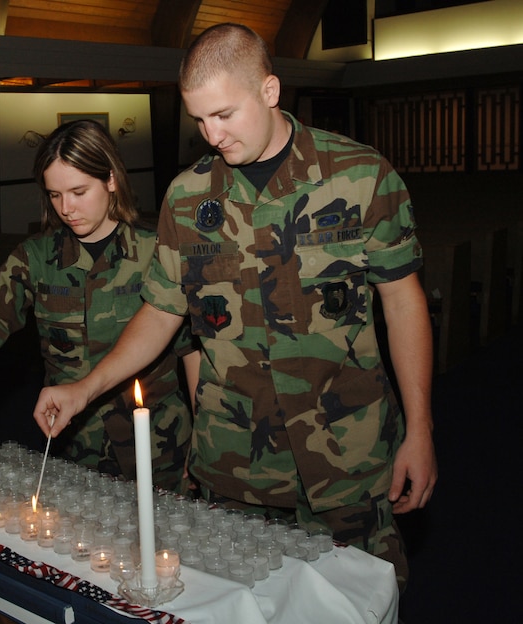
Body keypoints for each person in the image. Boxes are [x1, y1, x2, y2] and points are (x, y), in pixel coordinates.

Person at [33, 23, 437, 589]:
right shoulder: (188, 196)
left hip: (348, 457)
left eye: (224, 114)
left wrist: (420, 428)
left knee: (360, 601)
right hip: (237, 466)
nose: (211, 134)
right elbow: (160, 312)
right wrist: (84, 388)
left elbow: (404, 303)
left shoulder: (361, 176)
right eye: (199, 119)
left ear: (269, 91)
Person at [0, 119, 196, 492]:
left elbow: (192, 351)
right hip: (76, 444)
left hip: (160, 443)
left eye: (79, 191)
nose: (66, 208)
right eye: (54, 195)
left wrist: (202, 439)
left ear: (112, 180)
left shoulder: (157, 250)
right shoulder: (37, 257)